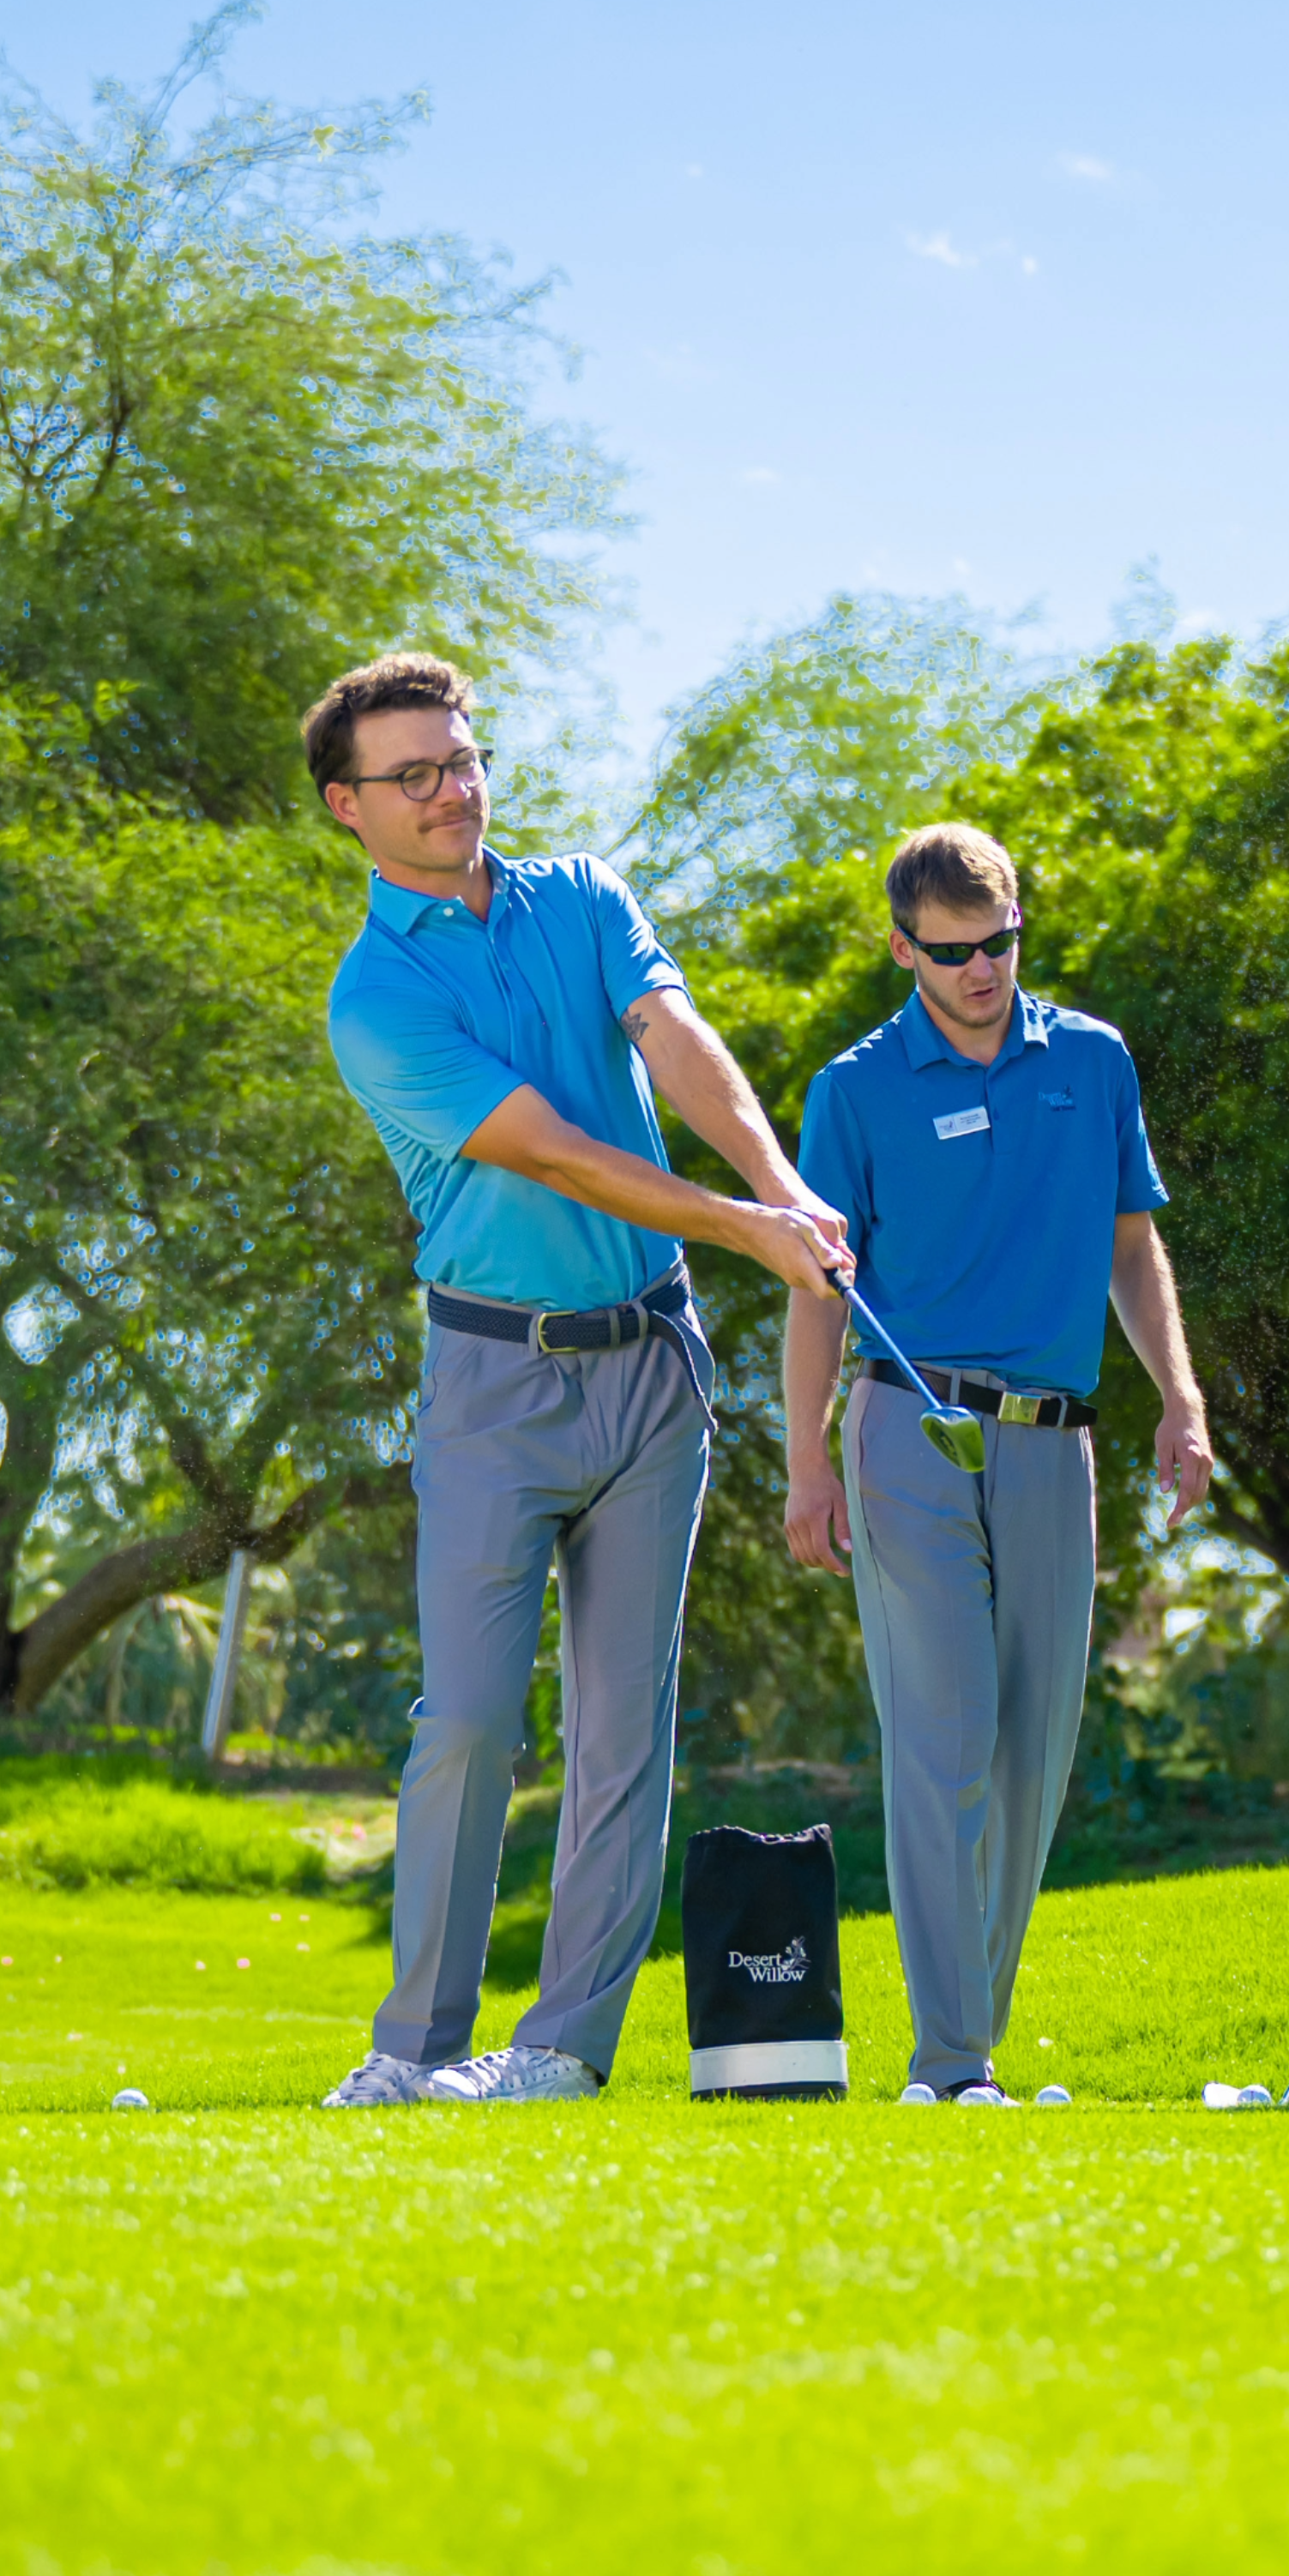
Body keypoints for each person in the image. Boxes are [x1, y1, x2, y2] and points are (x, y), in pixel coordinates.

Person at [309, 653, 852, 2108]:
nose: (450, 791)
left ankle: (559, 2051)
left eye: (463, 757)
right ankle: (415, 2052)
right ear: (346, 808)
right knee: (473, 1715)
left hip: (654, 1368)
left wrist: (780, 1185)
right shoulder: (375, 999)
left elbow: (677, 1045)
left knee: (628, 1721)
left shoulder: (584, 896)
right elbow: (549, 1145)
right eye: (411, 774)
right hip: (495, 1379)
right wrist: (746, 1229)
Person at [781, 824, 1217, 2102]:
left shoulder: (1093, 1059)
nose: (982, 971)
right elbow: (816, 1292)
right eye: (954, 952)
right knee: (945, 1734)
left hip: (1054, 1441)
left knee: (1032, 1749)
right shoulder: (853, 1088)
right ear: (904, 945)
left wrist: (1179, 1398)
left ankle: (974, 2042)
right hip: (907, 1431)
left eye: (1001, 943)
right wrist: (805, 1464)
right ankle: (951, 2059)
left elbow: (1134, 1248)